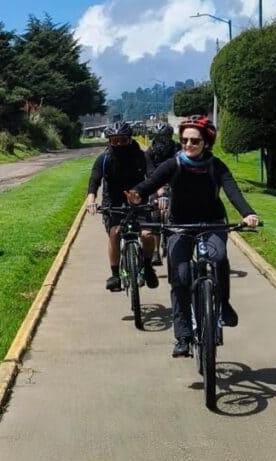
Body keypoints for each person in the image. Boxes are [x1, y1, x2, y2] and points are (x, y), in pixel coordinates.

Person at [127, 115, 260, 358]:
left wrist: (248, 213)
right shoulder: (174, 164)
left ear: (206, 143)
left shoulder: (216, 166)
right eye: (185, 140)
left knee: (218, 258)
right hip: (180, 225)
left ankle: (224, 304)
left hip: (212, 222)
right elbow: (151, 183)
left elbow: (232, 191)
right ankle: (183, 336)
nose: (188, 145)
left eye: (195, 141)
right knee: (180, 277)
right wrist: (137, 193)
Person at [86, 121, 158, 292]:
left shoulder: (141, 156)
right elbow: (94, 180)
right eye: (114, 141)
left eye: (122, 140)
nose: (118, 144)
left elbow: (153, 177)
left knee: (147, 235)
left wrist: (157, 195)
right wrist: (91, 199)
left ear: (129, 139)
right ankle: (115, 275)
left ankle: (148, 266)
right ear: (110, 141)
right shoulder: (104, 159)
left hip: (139, 198)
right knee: (115, 233)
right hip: (113, 201)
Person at [144, 122, 179, 265]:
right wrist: (158, 189)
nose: (161, 140)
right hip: (156, 184)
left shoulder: (178, 149)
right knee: (155, 214)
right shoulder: (149, 152)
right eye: (158, 137)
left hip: (174, 183)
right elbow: (150, 173)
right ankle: (155, 251)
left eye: (164, 137)